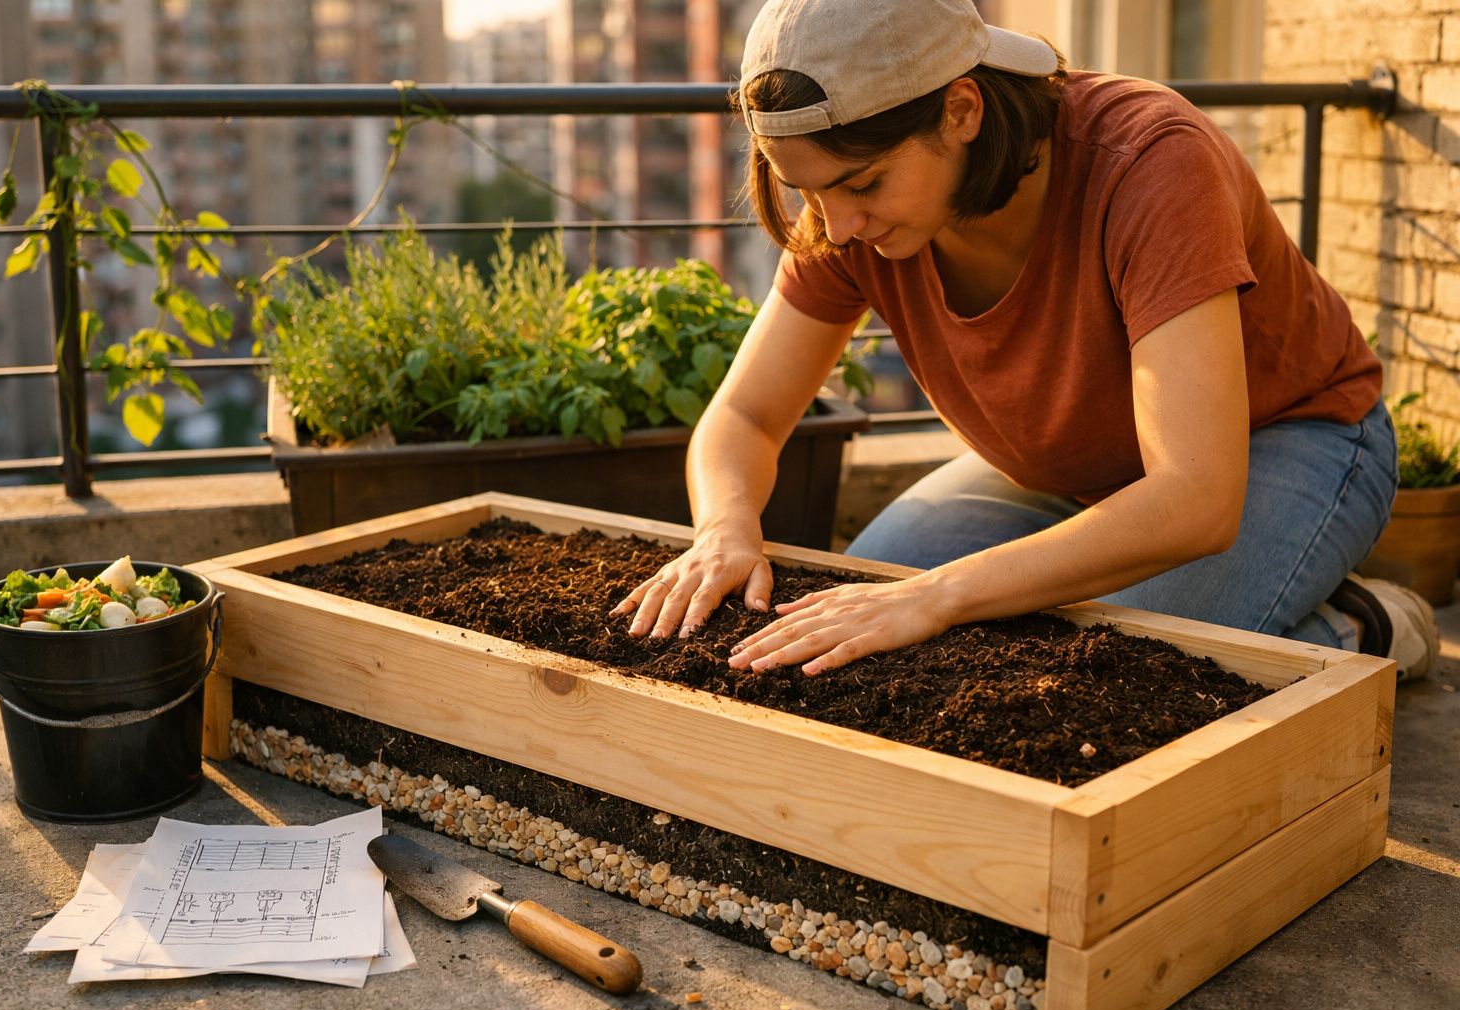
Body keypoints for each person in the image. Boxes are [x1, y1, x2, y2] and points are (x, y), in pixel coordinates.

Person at [610, 0, 1441, 680]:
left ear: (962, 110)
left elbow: (1193, 497)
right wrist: (723, 528)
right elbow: (747, 417)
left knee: (1104, 672)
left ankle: (1356, 633)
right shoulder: (850, 217)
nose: (839, 227)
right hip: (1070, 475)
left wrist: (941, 596)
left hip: (1293, 443)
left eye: (862, 184)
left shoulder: (1150, 162)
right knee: (848, 620)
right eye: (808, 192)